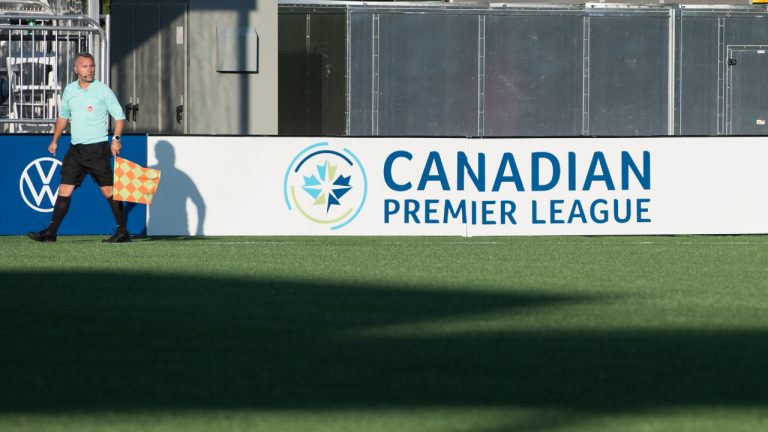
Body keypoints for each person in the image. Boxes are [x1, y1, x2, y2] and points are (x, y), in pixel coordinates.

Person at [27, 52, 128, 243]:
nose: (89, 70)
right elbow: (63, 117)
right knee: (64, 189)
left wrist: (116, 139)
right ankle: (51, 233)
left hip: (97, 149)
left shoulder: (102, 90)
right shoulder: (70, 91)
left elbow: (120, 117)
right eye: (85, 66)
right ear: (76, 69)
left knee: (108, 191)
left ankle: (122, 232)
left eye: (92, 66)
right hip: (75, 150)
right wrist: (54, 140)